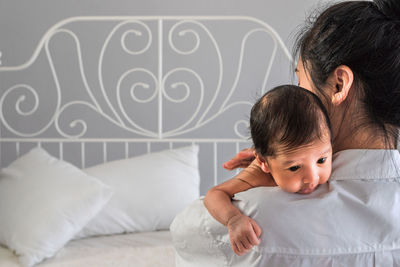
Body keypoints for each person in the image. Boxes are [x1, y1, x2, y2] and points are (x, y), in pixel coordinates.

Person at [171, 0, 400, 265]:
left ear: (339, 85)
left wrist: (251, 179)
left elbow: (183, 231)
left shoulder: (249, 220)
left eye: (300, 81)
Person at [204, 85, 333, 256]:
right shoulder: (257, 174)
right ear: (263, 162)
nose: (312, 177)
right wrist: (233, 219)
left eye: (321, 160)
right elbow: (214, 194)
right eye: (294, 167)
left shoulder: (321, 147)